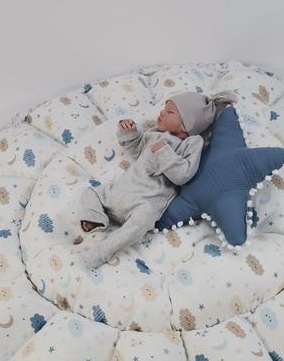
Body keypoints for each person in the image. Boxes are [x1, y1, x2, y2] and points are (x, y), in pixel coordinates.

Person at [77, 90, 237, 268]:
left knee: (143, 220)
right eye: (164, 108)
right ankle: (95, 217)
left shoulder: (191, 144)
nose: (162, 112)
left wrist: (164, 152)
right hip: (119, 191)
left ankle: (102, 251)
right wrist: (129, 132)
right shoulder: (154, 132)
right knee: (91, 192)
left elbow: (183, 175)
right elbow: (136, 149)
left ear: (186, 126)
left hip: (142, 202)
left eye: (170, 112)